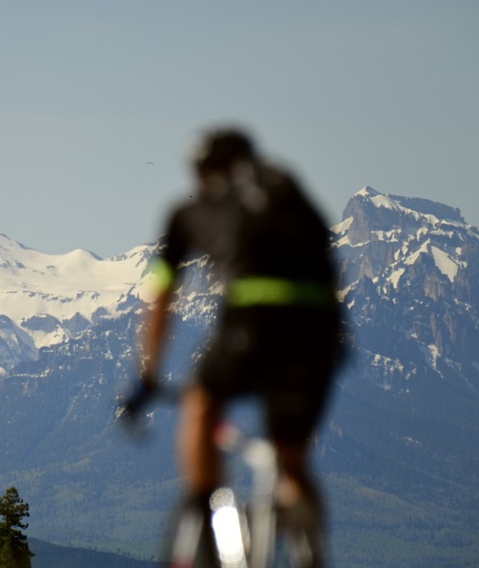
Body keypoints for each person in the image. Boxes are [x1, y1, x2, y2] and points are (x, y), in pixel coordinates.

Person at [123, 126, 343, 566]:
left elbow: (161, 294)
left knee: (202, 405)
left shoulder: (196, 209)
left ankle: (203, 511)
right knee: (293, 462)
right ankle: (312, 545)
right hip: (320, 327)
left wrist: (146, 376)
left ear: (204, 174)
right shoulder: (289, 189)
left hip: (252, 319)